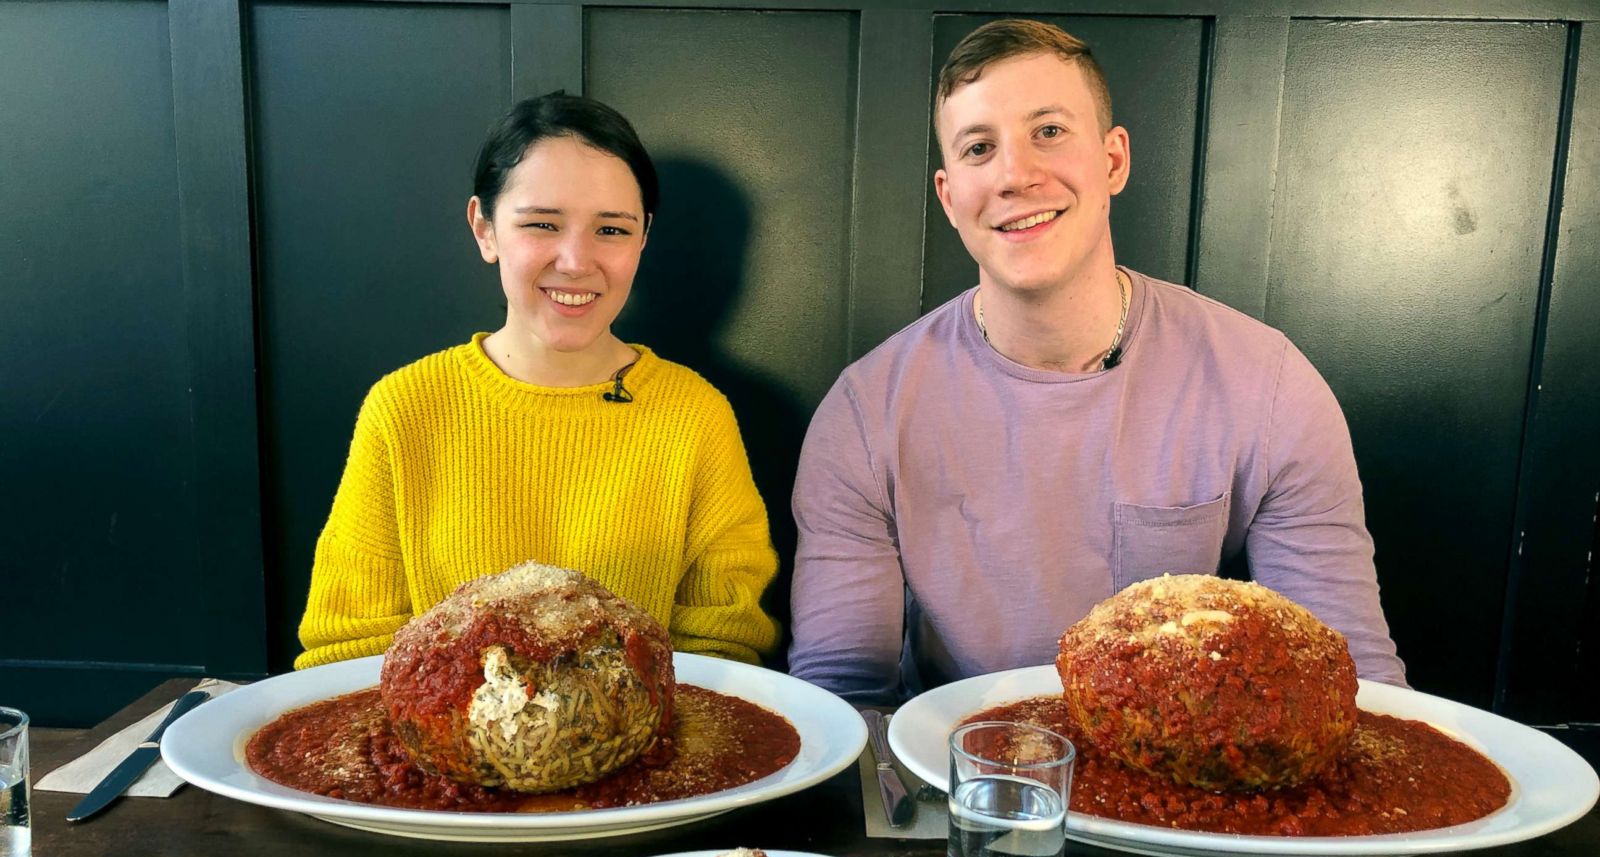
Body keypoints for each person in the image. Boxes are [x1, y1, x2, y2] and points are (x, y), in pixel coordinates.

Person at [787, 20, 1407, 704]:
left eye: (1048, 131)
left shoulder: (1269, 387)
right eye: (979, 148)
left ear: (1113, 161)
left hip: (1188, 781)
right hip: (955, 782)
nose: (1015, 175)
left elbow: (1352, 682)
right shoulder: (864, 413)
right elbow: (843, 697)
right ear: (949, 197)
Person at [295, 93, 779, 669]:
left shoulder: (696, 414)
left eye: (612, 230)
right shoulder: (404, 407)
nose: (576, 261)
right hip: (436, 749)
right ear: (485, 228)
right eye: (542, 224)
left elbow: (722, 650)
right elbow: (349, 649)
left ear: (643, 237)